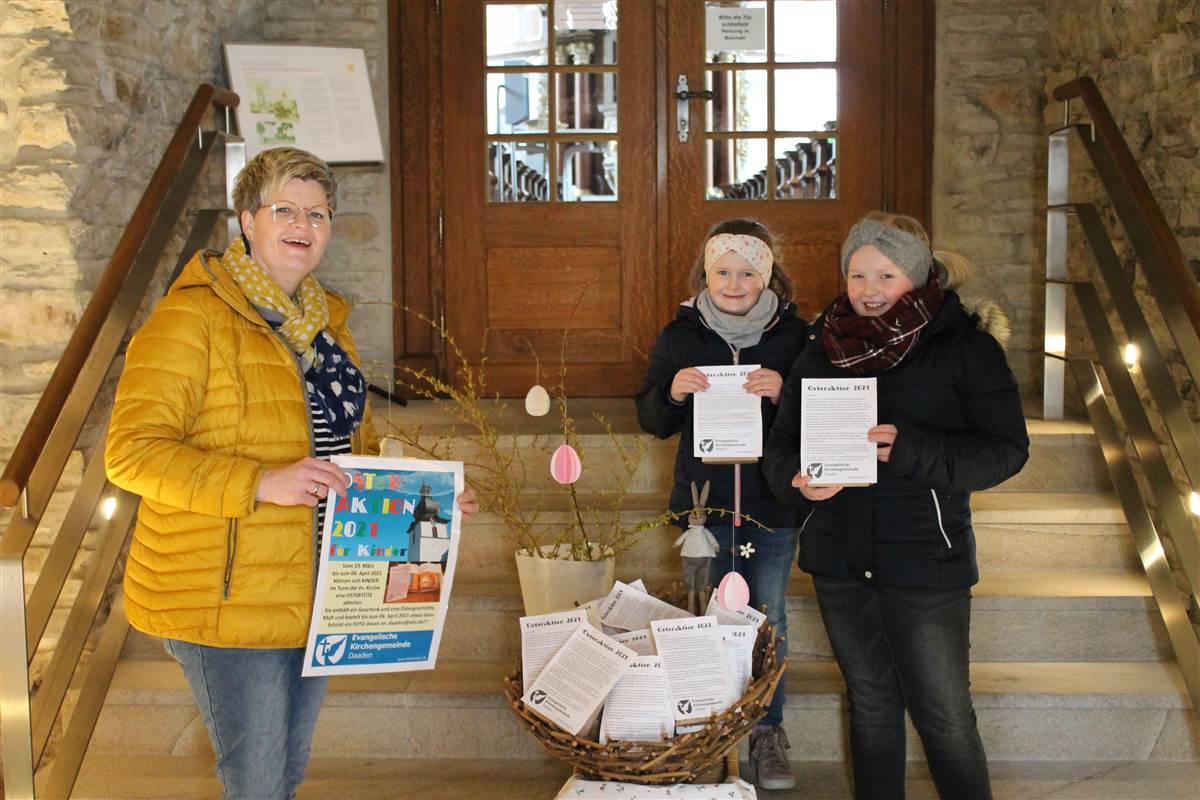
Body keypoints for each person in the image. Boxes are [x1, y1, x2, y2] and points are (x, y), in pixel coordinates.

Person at [105, 147, 478, 799]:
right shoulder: (189, 318)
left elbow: (344, 450)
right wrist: (257, 481)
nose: (304, 224)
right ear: (247, 219)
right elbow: (130, 453)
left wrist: (427, 498)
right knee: (255, 782)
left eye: (319, 213)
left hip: (321, 583)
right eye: (285, 209)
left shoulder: (328, 327)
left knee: (286, 772)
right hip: (224, 597)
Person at [764, 212, 1028, 799]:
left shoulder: (966, 347)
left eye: (886, 275)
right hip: (839, 558)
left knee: (943, 714)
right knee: (873, 703)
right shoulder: (821, 345)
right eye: (857, 275)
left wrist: (913, 448)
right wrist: (797, 482)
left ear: (918, 278)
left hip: (925, 558)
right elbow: (780, 447)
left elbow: (1007, 450)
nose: (869, 290)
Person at [635, 218, 807, 790]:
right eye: (722, 271)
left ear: (769, 276)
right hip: (700, 509)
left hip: (770, 507)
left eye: (748, 273)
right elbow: (651, 420)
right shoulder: (680, 335)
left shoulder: (796, 338)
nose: (734, 283)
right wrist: (672, 392)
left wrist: (785, 394)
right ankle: (700, 726)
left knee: (767, 616)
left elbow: (818, 420)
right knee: (698, 608)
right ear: (705, 274)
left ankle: (765, 729)